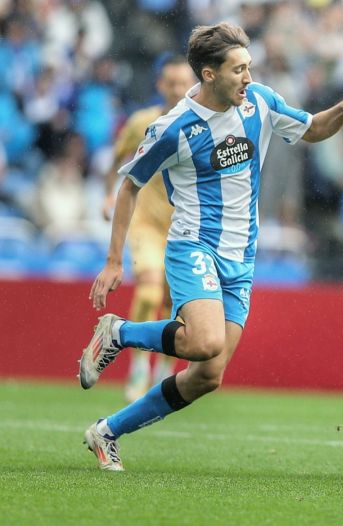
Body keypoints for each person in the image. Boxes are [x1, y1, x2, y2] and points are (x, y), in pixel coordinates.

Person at [79, 22, 343, 471]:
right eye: (238, 70)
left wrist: (342, 111)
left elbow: (312, 128)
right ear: (209, 74)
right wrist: (113, 260)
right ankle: (119, 333)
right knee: (204, 341)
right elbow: (129, 186)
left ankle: (106, 432)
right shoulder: (174, 128)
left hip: (242, 256)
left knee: (207, 375)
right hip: (194, 246)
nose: (248, 78)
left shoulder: (260, 102)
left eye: (249, 67)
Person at [101, 54, 195, 403]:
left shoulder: (200, 123)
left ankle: (164, 368)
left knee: (176, 305)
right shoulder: (142, 122)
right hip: (146, 224)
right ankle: (139, 364)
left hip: (183, 228)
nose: (177, 89)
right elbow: (117, 159)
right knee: (149, 294)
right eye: (171, 83)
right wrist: (107, 195)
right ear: (160, 85)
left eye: (183, 83)